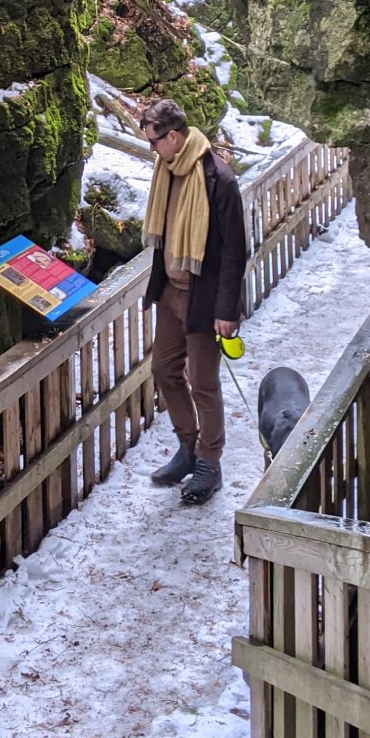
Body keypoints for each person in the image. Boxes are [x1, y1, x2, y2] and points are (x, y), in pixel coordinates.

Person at [137, 98, 248, 504]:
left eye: (155, 142)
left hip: (204, 297)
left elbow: (236, 251)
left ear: (174, 136)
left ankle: (209, 462)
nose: (152, 150)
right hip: (170, 291)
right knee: (165, 370)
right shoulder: (165, 173)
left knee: (203, 382)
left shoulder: (219, 178)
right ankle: (188, 447)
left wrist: (227, 311)